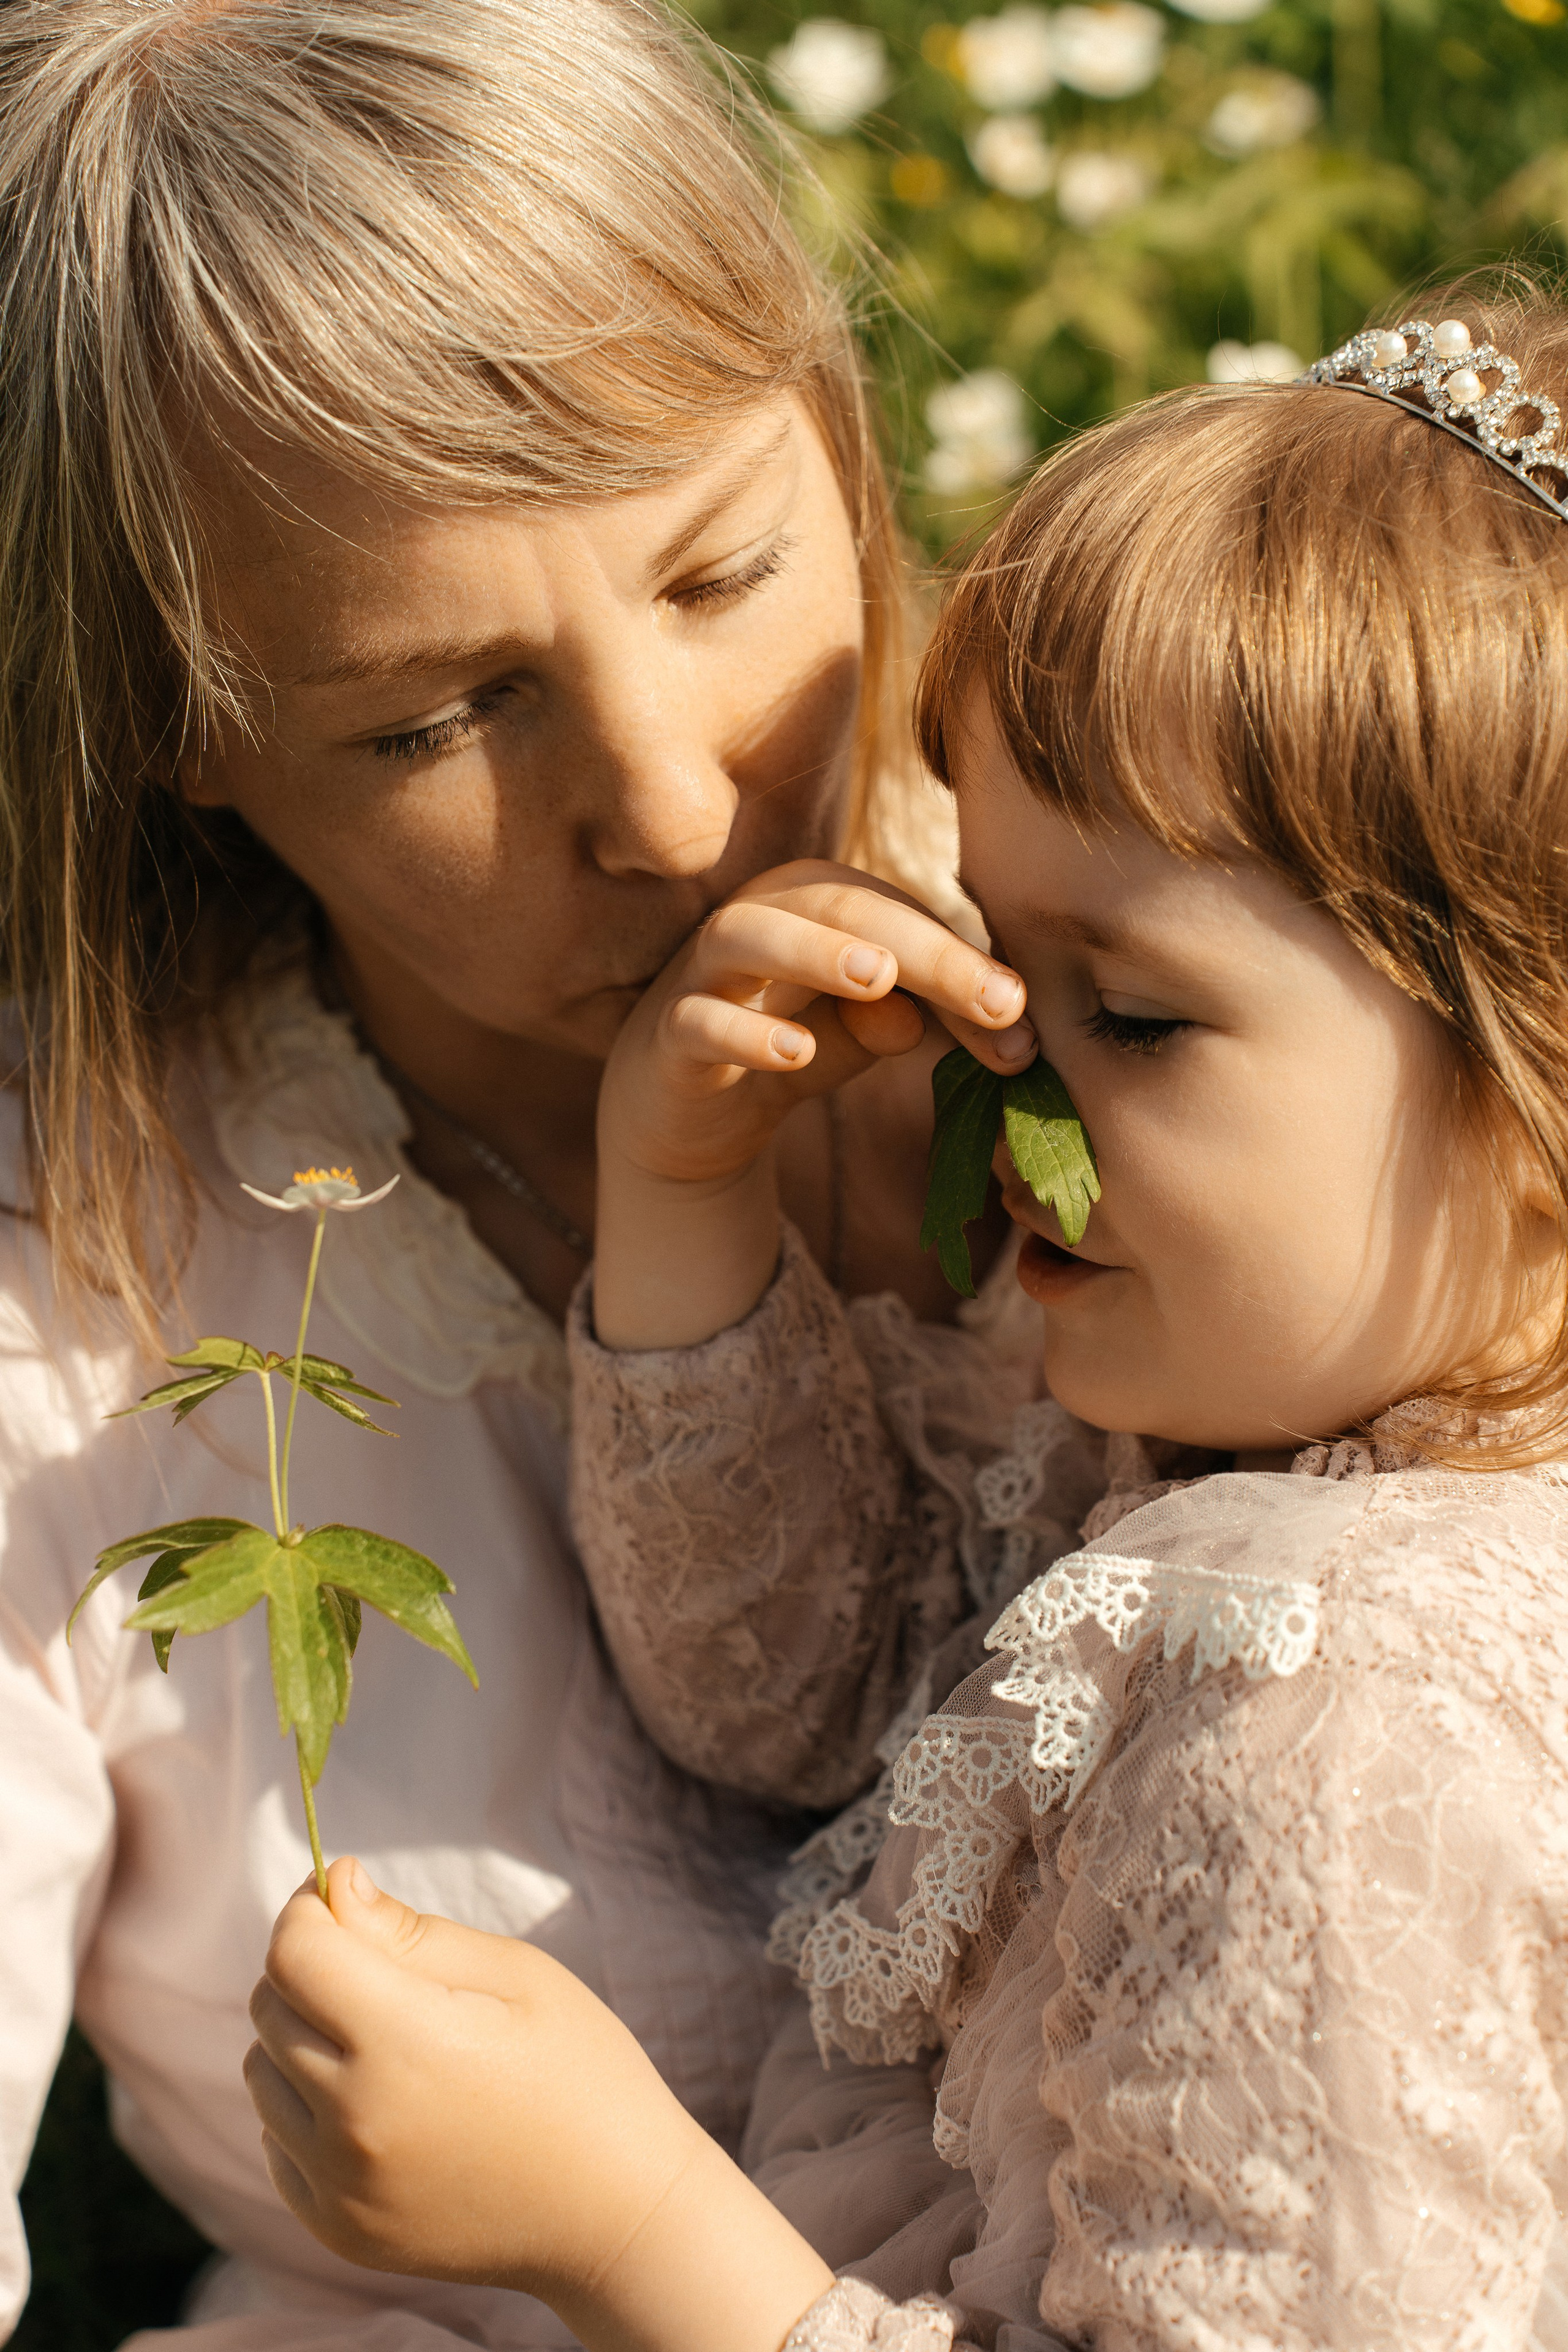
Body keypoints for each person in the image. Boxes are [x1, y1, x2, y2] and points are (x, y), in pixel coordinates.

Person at [245, 284, 1568, 2349]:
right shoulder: (1238, 1441)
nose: (1005, 1068)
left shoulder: (1344, 1720)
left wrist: (627, 2228)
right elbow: (804, 1689)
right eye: (992, 951)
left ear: (1540, 1105)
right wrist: (685, 1195)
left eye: (1132, 1014)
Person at [0, 3, 1058, 2346]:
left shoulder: (1168, 951)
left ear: (836, 419)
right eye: (436, 716)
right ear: (175, 722)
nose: (675, 805)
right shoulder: (67, 1283)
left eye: (721, 574)